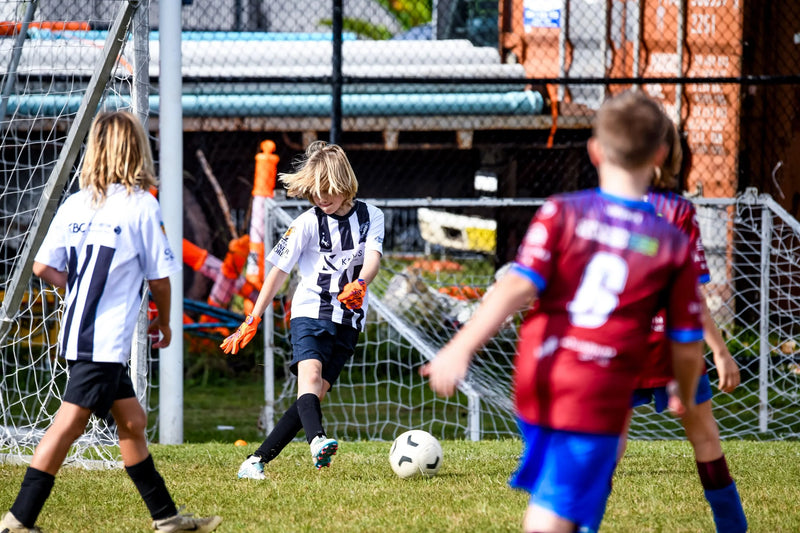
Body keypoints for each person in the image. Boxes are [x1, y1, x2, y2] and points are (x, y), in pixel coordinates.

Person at [420, 90, 706, 533]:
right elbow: (687, 345)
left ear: (595, 151)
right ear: (661, 154)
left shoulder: (561, 211)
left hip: (538, 375)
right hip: (596, 382)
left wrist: (461, 348)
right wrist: (684, 392)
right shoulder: (670, 243)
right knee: (555, 508)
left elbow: (516, 285)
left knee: (575, 494)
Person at [0, 111, 222, 533]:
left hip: (78, 331)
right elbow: (160, 278)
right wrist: (165, 322)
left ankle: (167, 519)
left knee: (132, 422)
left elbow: (44, 266)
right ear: (136, 150)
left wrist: (82, 287)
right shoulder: (141, 205)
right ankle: (18, 520)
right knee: (68, 424)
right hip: (103, 340)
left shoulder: (76, 202)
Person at [221, 141, 384, 478]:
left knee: (313, 395)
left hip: (349, 319)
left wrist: (361, 283)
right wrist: (252, 317)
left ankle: (255, 461)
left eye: (327, 190)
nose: (320, 198)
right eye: (314, 191)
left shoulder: (372, 216)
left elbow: (373, 257)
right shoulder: (306, 223)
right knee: (309, 379)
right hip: (310, 312)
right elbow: (277, 272)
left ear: (344, 183)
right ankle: (317, 441)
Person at [619, 121, 747, 532]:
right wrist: (720, 351)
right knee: (706, 438)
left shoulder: (597, 207)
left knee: (608, 446)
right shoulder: (676, 210)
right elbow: (690, 292)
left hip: (618, 344)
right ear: (671, 155)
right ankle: (733, 527)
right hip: (675, 346)